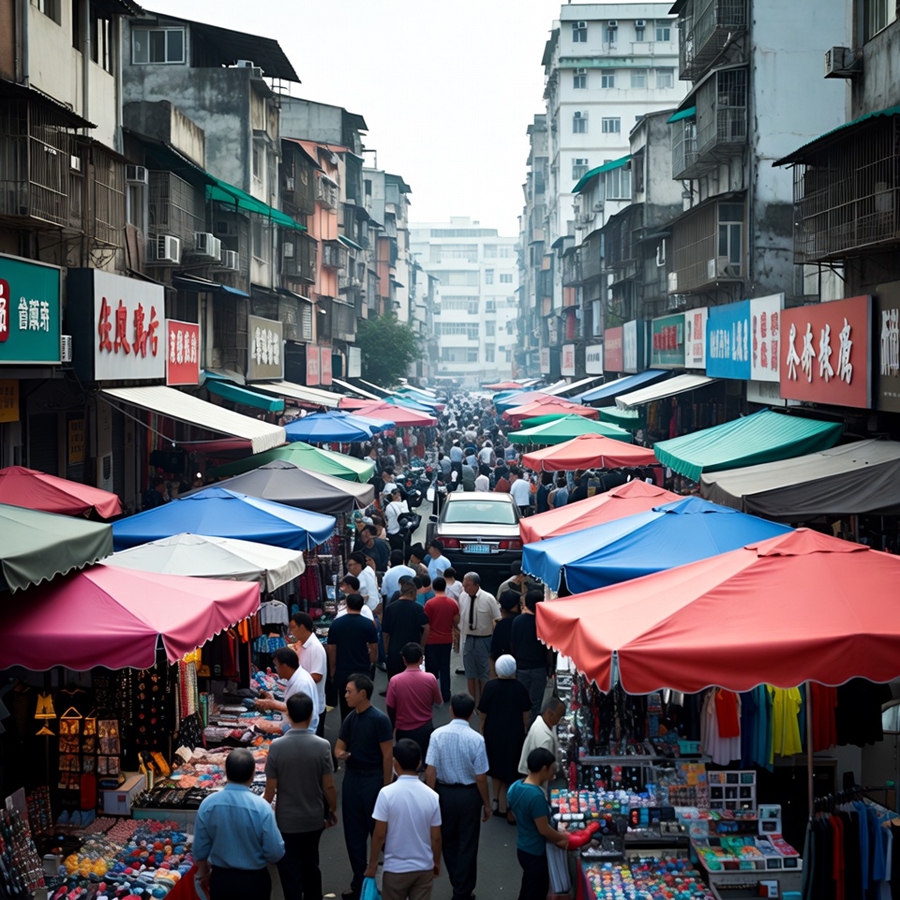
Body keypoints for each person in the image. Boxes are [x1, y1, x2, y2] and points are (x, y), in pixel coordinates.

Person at [263, 694, 337, 900]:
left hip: (287, 820)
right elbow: (329, 785)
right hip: (313, 817)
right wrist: (333, 809)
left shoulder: (277, 747)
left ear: (289, 714)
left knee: (290, 869)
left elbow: (270, 790)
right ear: (311, 713)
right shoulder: (322, 746)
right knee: (312, 864)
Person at [193, 748, 285, 900]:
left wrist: (203, 872)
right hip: (254, 881)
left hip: (221, 880)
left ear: (225, 771)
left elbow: (199, 848)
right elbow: (276, 852)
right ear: (252, 775)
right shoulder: (261, 807)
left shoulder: (208, 804)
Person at [425, 694, 492, 900]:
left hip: (443, 793)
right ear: (472, 714)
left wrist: (430, 798)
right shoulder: (477, 739)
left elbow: (430, 770)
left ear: (451, 710)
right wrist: (487, 805)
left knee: (448, 840)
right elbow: (481, 777)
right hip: (469, 796)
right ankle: (463, 888)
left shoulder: (437, 735)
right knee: (468, 842)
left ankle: (458, 881)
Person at [335, 674, 394, 900]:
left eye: (350, 691)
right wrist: (340, 753)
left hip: (373, 780)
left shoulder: (379, 720)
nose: (346, 695)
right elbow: (338, 746)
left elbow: (387, 755)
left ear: (363, 694)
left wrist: (386, 786)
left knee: (380, 833)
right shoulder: (351, 718)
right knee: (354, 835)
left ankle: (385, 880)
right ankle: (359, 881)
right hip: (352, 780)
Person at [365, 739, 442, 900]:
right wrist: (435, 861)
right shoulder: (432, 796)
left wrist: (372, 865)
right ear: (419, 762)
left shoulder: (386, 794)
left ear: (395, 763)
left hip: (395, 869)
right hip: (423, 868)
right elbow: (435, 836)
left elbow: (379, 835)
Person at [507, 747, 570, 900]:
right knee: (536, 892)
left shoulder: (515, 786)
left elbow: (512, 815)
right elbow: (544, 829)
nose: (553, 774)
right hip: (535, 852)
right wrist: (563, 837)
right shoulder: (536, 796)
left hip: (522, 847)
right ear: (544, 768)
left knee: (528, 887)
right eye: (551, 769)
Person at [478, 655, 532, 822]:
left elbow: (483, 713)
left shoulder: (490, 686)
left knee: (495, 765)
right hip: (514, 732)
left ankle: (496, 798)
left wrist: (482, 729)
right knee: (511, 766)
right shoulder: (519, 688)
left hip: (493, 731)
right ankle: (507, 804)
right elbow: (526, 715)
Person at [386, 642, 442, 761]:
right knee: (424, 760)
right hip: (425, 727)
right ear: (421, 659)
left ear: (404, 659)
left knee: (405, 762)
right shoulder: (430, 678)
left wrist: (394, 725)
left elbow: (390, 706)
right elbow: (438, 701)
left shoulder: (395, 681)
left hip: (403, 729)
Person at [327, 594, 379, 721]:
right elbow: (374, 647)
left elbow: (332, 649)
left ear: (346, 605)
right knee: (363, 703)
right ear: (362, 606)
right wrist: (371, 662)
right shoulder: (368, 624)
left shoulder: (336, 624)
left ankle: (346, 731)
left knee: (345, 704)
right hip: (362, 669)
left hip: (342, 669)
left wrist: (332, 668)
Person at [254, 647, 320, 735]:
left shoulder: (302, 683)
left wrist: (272, 704)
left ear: (284, 666)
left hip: (301, 733)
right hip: (296, 729)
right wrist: (273, 702)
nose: (276, 669)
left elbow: (300, 710)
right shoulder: (296, 678)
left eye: (276, 665)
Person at [457, 572, 500, 706]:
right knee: (470, 673)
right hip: (468, 638)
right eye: (464, 585)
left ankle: (484, 702)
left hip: (484, 639)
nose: (465, 588)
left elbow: (497, 619)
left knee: (484, 673)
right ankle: (472, 703)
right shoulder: (463, 596)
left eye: (468, 585)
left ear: (476, 585)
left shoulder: (488, 598)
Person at [511, 590, 553, 723]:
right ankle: (532, 729)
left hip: (521, 666)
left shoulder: (517, 621)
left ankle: (520, 728)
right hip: (539, 668)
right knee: (536, 703)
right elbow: (548, 648)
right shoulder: (544, 622)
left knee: (520, 701)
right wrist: (550, 667)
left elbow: (513, 644)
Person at [289, 613, 328, 739]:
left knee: (315, 741)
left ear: (302, 627)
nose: (291, 631)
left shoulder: (315, 648)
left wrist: (297, 681)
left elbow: (317, 676)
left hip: (313, 703)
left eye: (293, 627)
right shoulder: (302, 645)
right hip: (305, 701)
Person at [382, 580, 430, 678]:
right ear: (413, 592)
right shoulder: (418, 608)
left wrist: (386, 649)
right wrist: (422, 646)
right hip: (413, 649)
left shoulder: (390, 608)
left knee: (394, 679)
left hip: (394, 649)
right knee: (412, 678)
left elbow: (385, 633)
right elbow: (426, 627)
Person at [424, 576, 459, 703]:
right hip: (446, 639)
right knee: (445, 667)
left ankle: (431, 695)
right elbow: (456, 621)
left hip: (432, 640)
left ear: (433, 587)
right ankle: (446, 694)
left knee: (431, 669)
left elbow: (426, 623)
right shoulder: (452, 603)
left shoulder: (429, 604)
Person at [518, 696, 566, 780]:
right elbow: (542, 771)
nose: (559, 720)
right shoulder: (545, 739)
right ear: (550, 714)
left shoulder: (541, 722)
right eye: (559, 717)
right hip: (537, 777)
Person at [490, 591, 521, 673]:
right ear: (515, 606)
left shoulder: (501, 625)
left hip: (503, 666)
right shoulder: (521, 621)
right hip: (522, 666)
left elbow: (493, 653)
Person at [347, 551, 380, 617]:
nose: (349, 568)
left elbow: (357, 594)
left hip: (369, 610)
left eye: (350, 565)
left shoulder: (362, 576)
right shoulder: (366, 571)